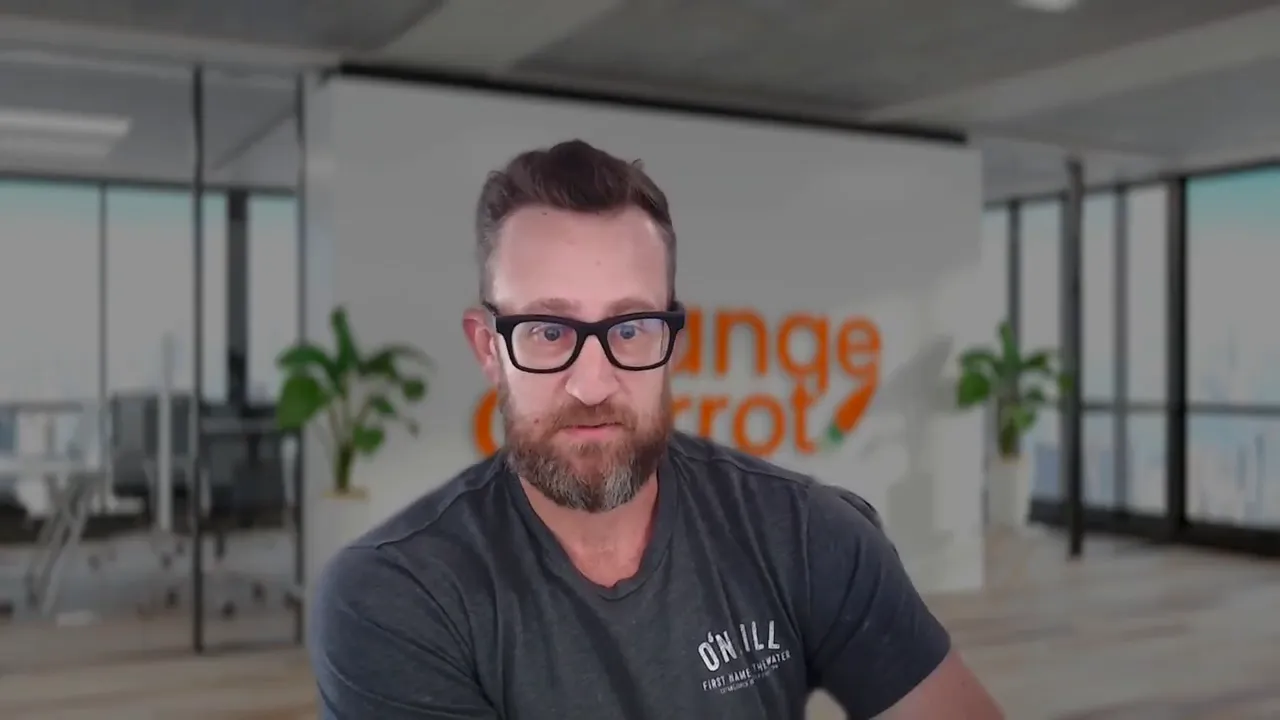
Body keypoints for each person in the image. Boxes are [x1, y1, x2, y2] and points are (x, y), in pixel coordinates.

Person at [309, 139, 1003, 719]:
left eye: (630, 327)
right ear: (489, 348)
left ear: (672, 339)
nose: (592, 382)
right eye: (548, 331)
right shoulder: (395, 595)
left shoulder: (806, 535)